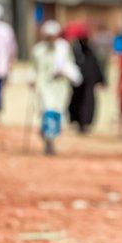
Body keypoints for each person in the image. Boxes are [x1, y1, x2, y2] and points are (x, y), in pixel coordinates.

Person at [31, 20, 81, 156]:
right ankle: (49, 141)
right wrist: (32, 80)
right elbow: (34, 69)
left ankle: (49, 135)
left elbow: (70, 65)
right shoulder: (38, 50)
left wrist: (66, 73)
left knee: (57, 112)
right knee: (48, 110)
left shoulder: (63, 48)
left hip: (60, 87)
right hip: (44, 85)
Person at [65, 22, 106, 134]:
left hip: (89, 83)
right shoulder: (74, 50)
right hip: (78, 83)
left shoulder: (91, 51)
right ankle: (78, 122)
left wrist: (101, 79)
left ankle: (84, 123)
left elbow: (96, 65)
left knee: (87, 103)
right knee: (77, 102)